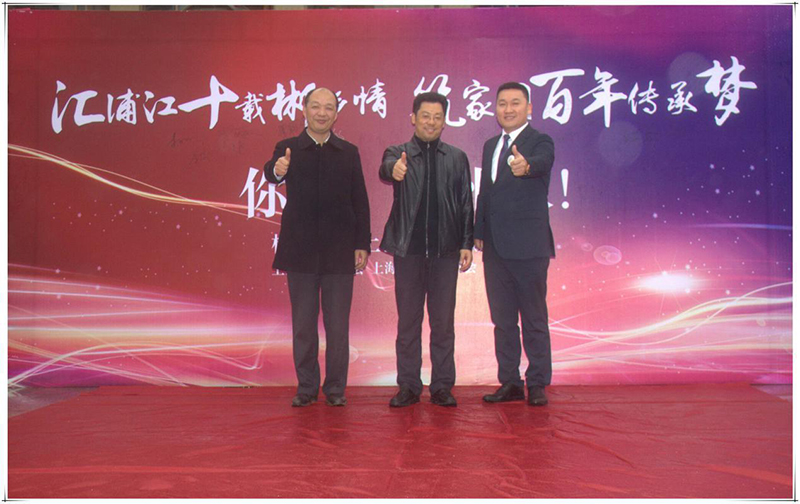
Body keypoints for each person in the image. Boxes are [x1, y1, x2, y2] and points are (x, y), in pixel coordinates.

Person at [264, 87, 371, 408]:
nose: (322, 113)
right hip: (300, 250)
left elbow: (360, 201)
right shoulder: (289, 148)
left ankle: (335, 388)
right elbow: (271, 171)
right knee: (303, 325)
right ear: (304, 110)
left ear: (336, 114)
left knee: (338, 326)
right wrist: (277, 170)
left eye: (328, 108)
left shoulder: (348, 152)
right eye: (316, 106)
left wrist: (362, 243)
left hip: (340, 251)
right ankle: (307, 387)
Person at [379, 92, 474, 408]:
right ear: (413, 118)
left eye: (437, 117)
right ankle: (408, 386)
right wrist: (394, 170)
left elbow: (465, 203)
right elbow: (386, 168)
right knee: (408, 322)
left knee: (443, 324)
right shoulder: (399, 153)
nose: (431, 122)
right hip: (409, 252)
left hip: (446, 252)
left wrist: (466, 243)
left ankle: (442, 386)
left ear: (444, 121)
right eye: (425, 116)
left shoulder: (457, 157)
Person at [474, 82, 555, 407]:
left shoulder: (540, 141)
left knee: (533, 318)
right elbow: (485, 192)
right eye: (503, 103)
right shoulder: (491, 145)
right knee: (503, 321)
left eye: (516, 103)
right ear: (496, 109)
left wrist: (527, 166)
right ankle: (509, 382)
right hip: (495, 247)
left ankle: (537, 382)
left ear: (529, 108)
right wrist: (478, 231)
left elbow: (542, 161)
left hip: (529, 246)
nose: (508, 109)